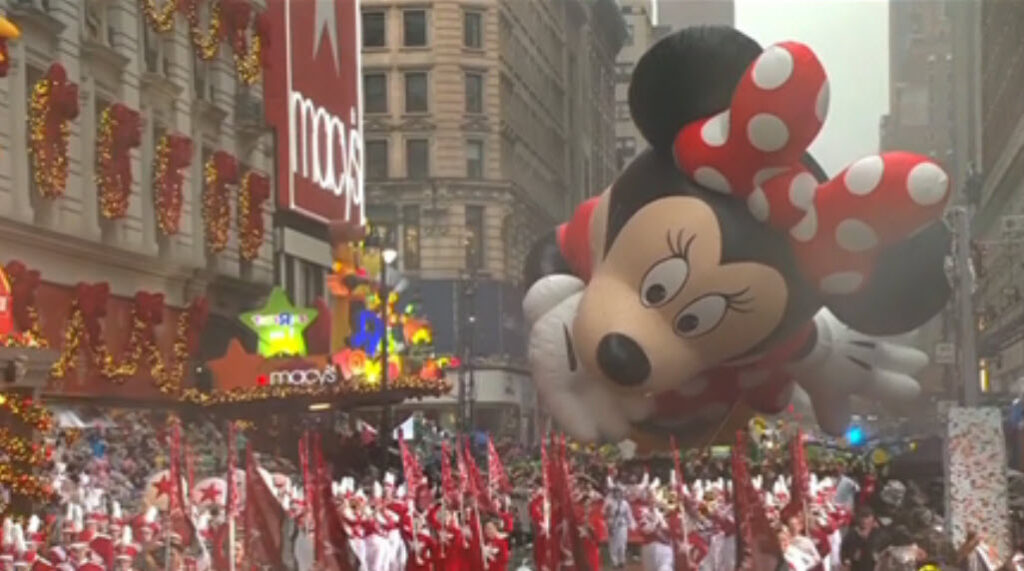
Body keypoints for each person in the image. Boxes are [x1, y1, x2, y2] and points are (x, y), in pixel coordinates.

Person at [604, 485, 636, 569]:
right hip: (613, 524)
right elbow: (604, 513)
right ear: (614, 492)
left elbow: (629, 515)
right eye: (616, 491)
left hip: (622, 525)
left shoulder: (625, 503)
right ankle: (614, 562)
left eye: (620, 492)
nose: (618, 493)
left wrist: (631, 524)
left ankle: (622, 561)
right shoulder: (609, 502)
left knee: (622, 544)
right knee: (613, 544)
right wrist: (609, 517)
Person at [840, 507, 880, 571]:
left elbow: (880, 548)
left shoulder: (875, 533)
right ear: (859, 519)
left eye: (867, 518)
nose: (865, 521)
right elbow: (844, 548)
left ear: (872, 519)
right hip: (856, 565)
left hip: (870, 564)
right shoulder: (853, 533)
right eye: (863, 518)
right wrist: (846, 560)